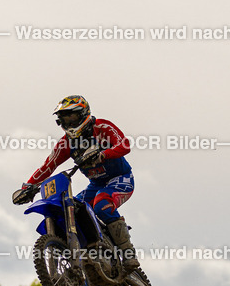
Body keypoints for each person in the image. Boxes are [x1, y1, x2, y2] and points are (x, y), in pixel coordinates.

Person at [12, 95, 139, 271]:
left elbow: (124, 145)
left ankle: (128, 253)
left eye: (72, 117)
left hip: (120, 178)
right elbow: (48, 166)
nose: (69, 122)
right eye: (64, 119)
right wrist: (28, 187)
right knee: (72, 208)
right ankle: (88, 249)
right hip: (96, 184)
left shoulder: (102, 127)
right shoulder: (65, 144)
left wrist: (103, 154)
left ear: (84, 113)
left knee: (102, 205)